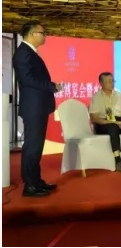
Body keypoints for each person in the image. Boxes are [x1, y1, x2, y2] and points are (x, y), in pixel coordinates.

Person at [12, 22, 63, 197]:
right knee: (32, 147)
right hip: (33, 108)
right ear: (32, 34)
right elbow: (28, 80)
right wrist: (51, 86)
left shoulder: (30, 53)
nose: (45, 36)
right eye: (42, 32)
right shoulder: (23, 53)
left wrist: (51, 86)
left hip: (38, 107)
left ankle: (36, 180)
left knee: (36, 147)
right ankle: (30, 186)